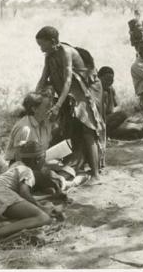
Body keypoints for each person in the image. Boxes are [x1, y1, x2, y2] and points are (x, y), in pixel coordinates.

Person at [35, 26, 105, 181]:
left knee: (88, 129)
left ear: (53, 41)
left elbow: (68, 80)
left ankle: (95, 174)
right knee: (72, 129)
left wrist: (58, 105)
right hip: (69, 94)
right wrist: (33, 98)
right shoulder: (49, 55)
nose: (41, 49)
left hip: (85, 91)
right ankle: (78, 163)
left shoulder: (66, 52)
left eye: (42, 45)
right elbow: (43, 78)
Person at [0, 141, 54, 239]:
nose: (44, 162)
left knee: (26, 217)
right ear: (37, 160)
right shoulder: (27, 170)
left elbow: (23, 199)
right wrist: (41, 208)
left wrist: (52, 197)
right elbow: (25, 193)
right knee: (44, 217)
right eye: (43, 159)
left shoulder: (15, 167)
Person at [98, 66, 143, 140]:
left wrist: (129, 116)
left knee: (141, 130)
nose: (109, 82)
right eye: (106, 79)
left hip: (109, 122)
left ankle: (112, 134)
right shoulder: (95, 90)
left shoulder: (110, 89)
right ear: (99, 78)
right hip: (98, 122)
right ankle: (105, 136)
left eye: (111, 80)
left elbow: (115, 107)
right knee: (122, 115)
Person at [5, 92, 53, 164]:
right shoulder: (24, 128)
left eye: (50, 106)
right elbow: (18, 158)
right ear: (34, 109)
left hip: (39, 163)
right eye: (47, 107)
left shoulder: (45, 124)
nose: (50, 109)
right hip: (22, 166)